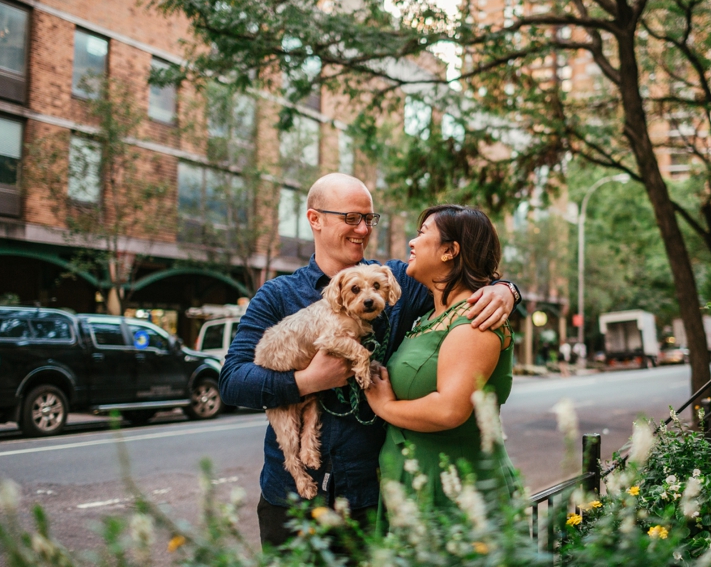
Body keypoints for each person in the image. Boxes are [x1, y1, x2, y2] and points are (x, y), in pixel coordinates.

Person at [219, 174, 519, 547]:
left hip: (370, 499)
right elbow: (232, 381)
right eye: (351, 218)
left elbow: (459, 282)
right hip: (292, 502)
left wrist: (505, 290)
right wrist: (307, 381)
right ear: (315, 219)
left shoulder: (394, 281)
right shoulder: (277, 296)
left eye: (369, 219)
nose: (363, 229)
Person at [364, 205, 517, 512]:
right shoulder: (428, 316)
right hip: (414, 488)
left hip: (456, 493)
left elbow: (450, 409)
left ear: (449, 250)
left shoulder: (475, 318)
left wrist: (384, 406)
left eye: (422, 234)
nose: (412, 242)